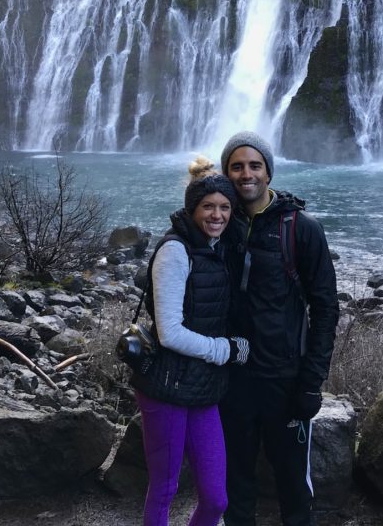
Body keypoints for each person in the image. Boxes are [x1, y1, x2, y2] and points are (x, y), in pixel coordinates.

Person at [218, 131, 339, 526]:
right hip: (231, 378)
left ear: (268, 172)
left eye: (255, 165)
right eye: (237, 166)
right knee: (234, 482)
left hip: (283, 380)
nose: (246, 174)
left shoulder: (301, 228)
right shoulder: (218, 222)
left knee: (292, 483)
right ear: (226, 173)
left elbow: (325, 308)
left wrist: (311, 381)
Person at [130, 156, 251, 526]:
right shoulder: (175, 251)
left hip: (203, 390)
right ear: (192, 208)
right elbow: (169, 332)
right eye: (208, 207)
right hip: (166, 387)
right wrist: (226, 350)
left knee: (216, 499)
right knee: (164, 490)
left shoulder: (218, 251)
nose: (217, 215)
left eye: (225, 207)